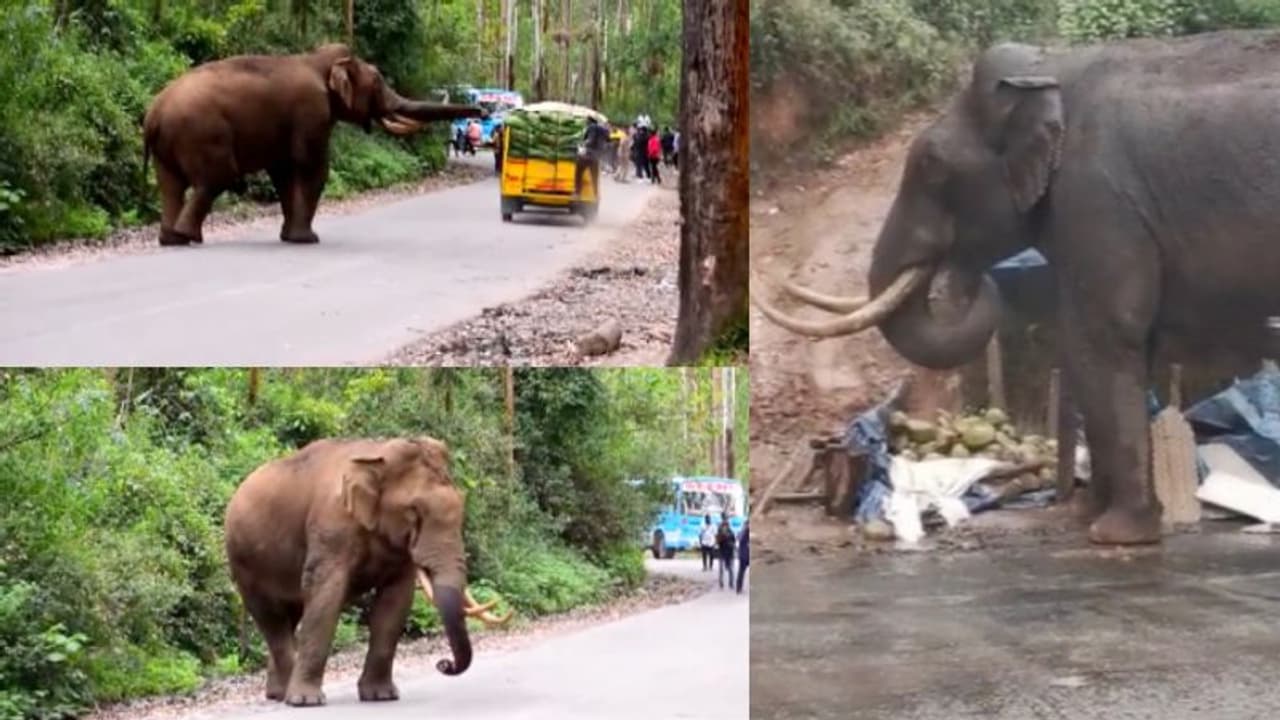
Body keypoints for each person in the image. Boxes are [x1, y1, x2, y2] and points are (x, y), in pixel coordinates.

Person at [575, 116, 610, 199]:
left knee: (578, 171)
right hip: (597, 156)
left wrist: (582, 144)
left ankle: (577, 192)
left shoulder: (592, 127)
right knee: (594, 176)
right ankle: (596, 194)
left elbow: (591, 140)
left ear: (589, 121)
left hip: (588, 155)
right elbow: (608, 140)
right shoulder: (603, 130)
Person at [716, 516, 736, 590]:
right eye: (723, 526)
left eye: (726, 526)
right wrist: (721, 537)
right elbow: (717, 542)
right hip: (721, 553)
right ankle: (721, 583)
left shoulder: (731, 533)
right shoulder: (719, 533)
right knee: (721, 569)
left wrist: (728, 539)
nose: (724, 528)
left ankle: (731, 583)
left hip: (729, 553)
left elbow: (733, 543)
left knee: (730, 569)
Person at [736, 520, 749, 594]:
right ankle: (738, 588)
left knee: (741, 572)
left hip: (743, 555)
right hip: (744, 555)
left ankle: (739, 588)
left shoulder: (742, 532)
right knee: (741, 572)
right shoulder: (743, 532)